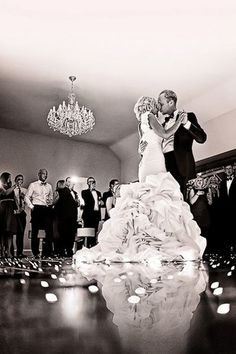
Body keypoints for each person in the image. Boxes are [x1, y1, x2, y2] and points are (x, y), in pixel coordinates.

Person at [73, 96, 206, 265]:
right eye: (156, 103)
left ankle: (150, 241)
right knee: (158, 199)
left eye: (161, 102)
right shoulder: (150, 116)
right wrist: (179, 120)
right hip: (154, 161)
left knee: (151, 200)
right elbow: (165, 134)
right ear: (150, 105)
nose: (159, 105)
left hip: (149, 161)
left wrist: (140, 149)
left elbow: (143, 143)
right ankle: (158, 242)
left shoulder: (144, 121)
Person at [139, 90, 206, 198]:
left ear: (171, 102)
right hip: (163, 166)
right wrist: (142, 149)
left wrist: (186, 123)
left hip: (182, 166)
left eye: (161, 103)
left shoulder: (189, 116)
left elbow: (202, 138)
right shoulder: (160, 124)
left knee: (185, 204)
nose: (159, 107)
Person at [25, 169, 53, 258]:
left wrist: (50, 202)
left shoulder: (49, 186)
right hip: (36, 208)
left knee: (48, 231)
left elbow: (51, 197)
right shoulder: (33, 185)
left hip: (46, 209)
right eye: (44, 174)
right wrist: (32, 207)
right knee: (35, 231)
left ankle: (47, 253)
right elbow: (26, 197)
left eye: (46, 174)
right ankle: (35, 252)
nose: (45, 175)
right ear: (39, 174)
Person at [81, 177, 102, 247]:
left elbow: (99, 203)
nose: (92, 183)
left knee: (94, 232)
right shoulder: (84, 192)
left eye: (93, 182)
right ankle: (87, 246)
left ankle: (93, 246)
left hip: (96, 215)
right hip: (88, 215)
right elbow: (87, 201)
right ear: (87, 183)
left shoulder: (98, 193)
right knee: (88, 232)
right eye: (90, 182)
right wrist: (90, 189)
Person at [0, 172, 17, 257]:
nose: (10, 179)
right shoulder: (0, 186)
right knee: (3, 231)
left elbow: (14, 198)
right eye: (9, 177)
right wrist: (14, 186)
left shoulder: (11, 187)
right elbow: (5, 193)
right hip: (3, 208)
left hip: (10, 209)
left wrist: (16, 208)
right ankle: (2, 251)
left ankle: (9, 251)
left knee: (10, 231)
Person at [14, 174, 27, 257]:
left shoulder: (25, 190)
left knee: (21, 233)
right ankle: (10, 251)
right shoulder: (13, 190)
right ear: (15, 180)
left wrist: (24, 197)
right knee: (12, 232)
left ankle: (20, 252)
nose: (20, 181)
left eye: (21, 179)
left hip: (22, 213)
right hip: (14, 213)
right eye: (18, 179)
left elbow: (29, 201)